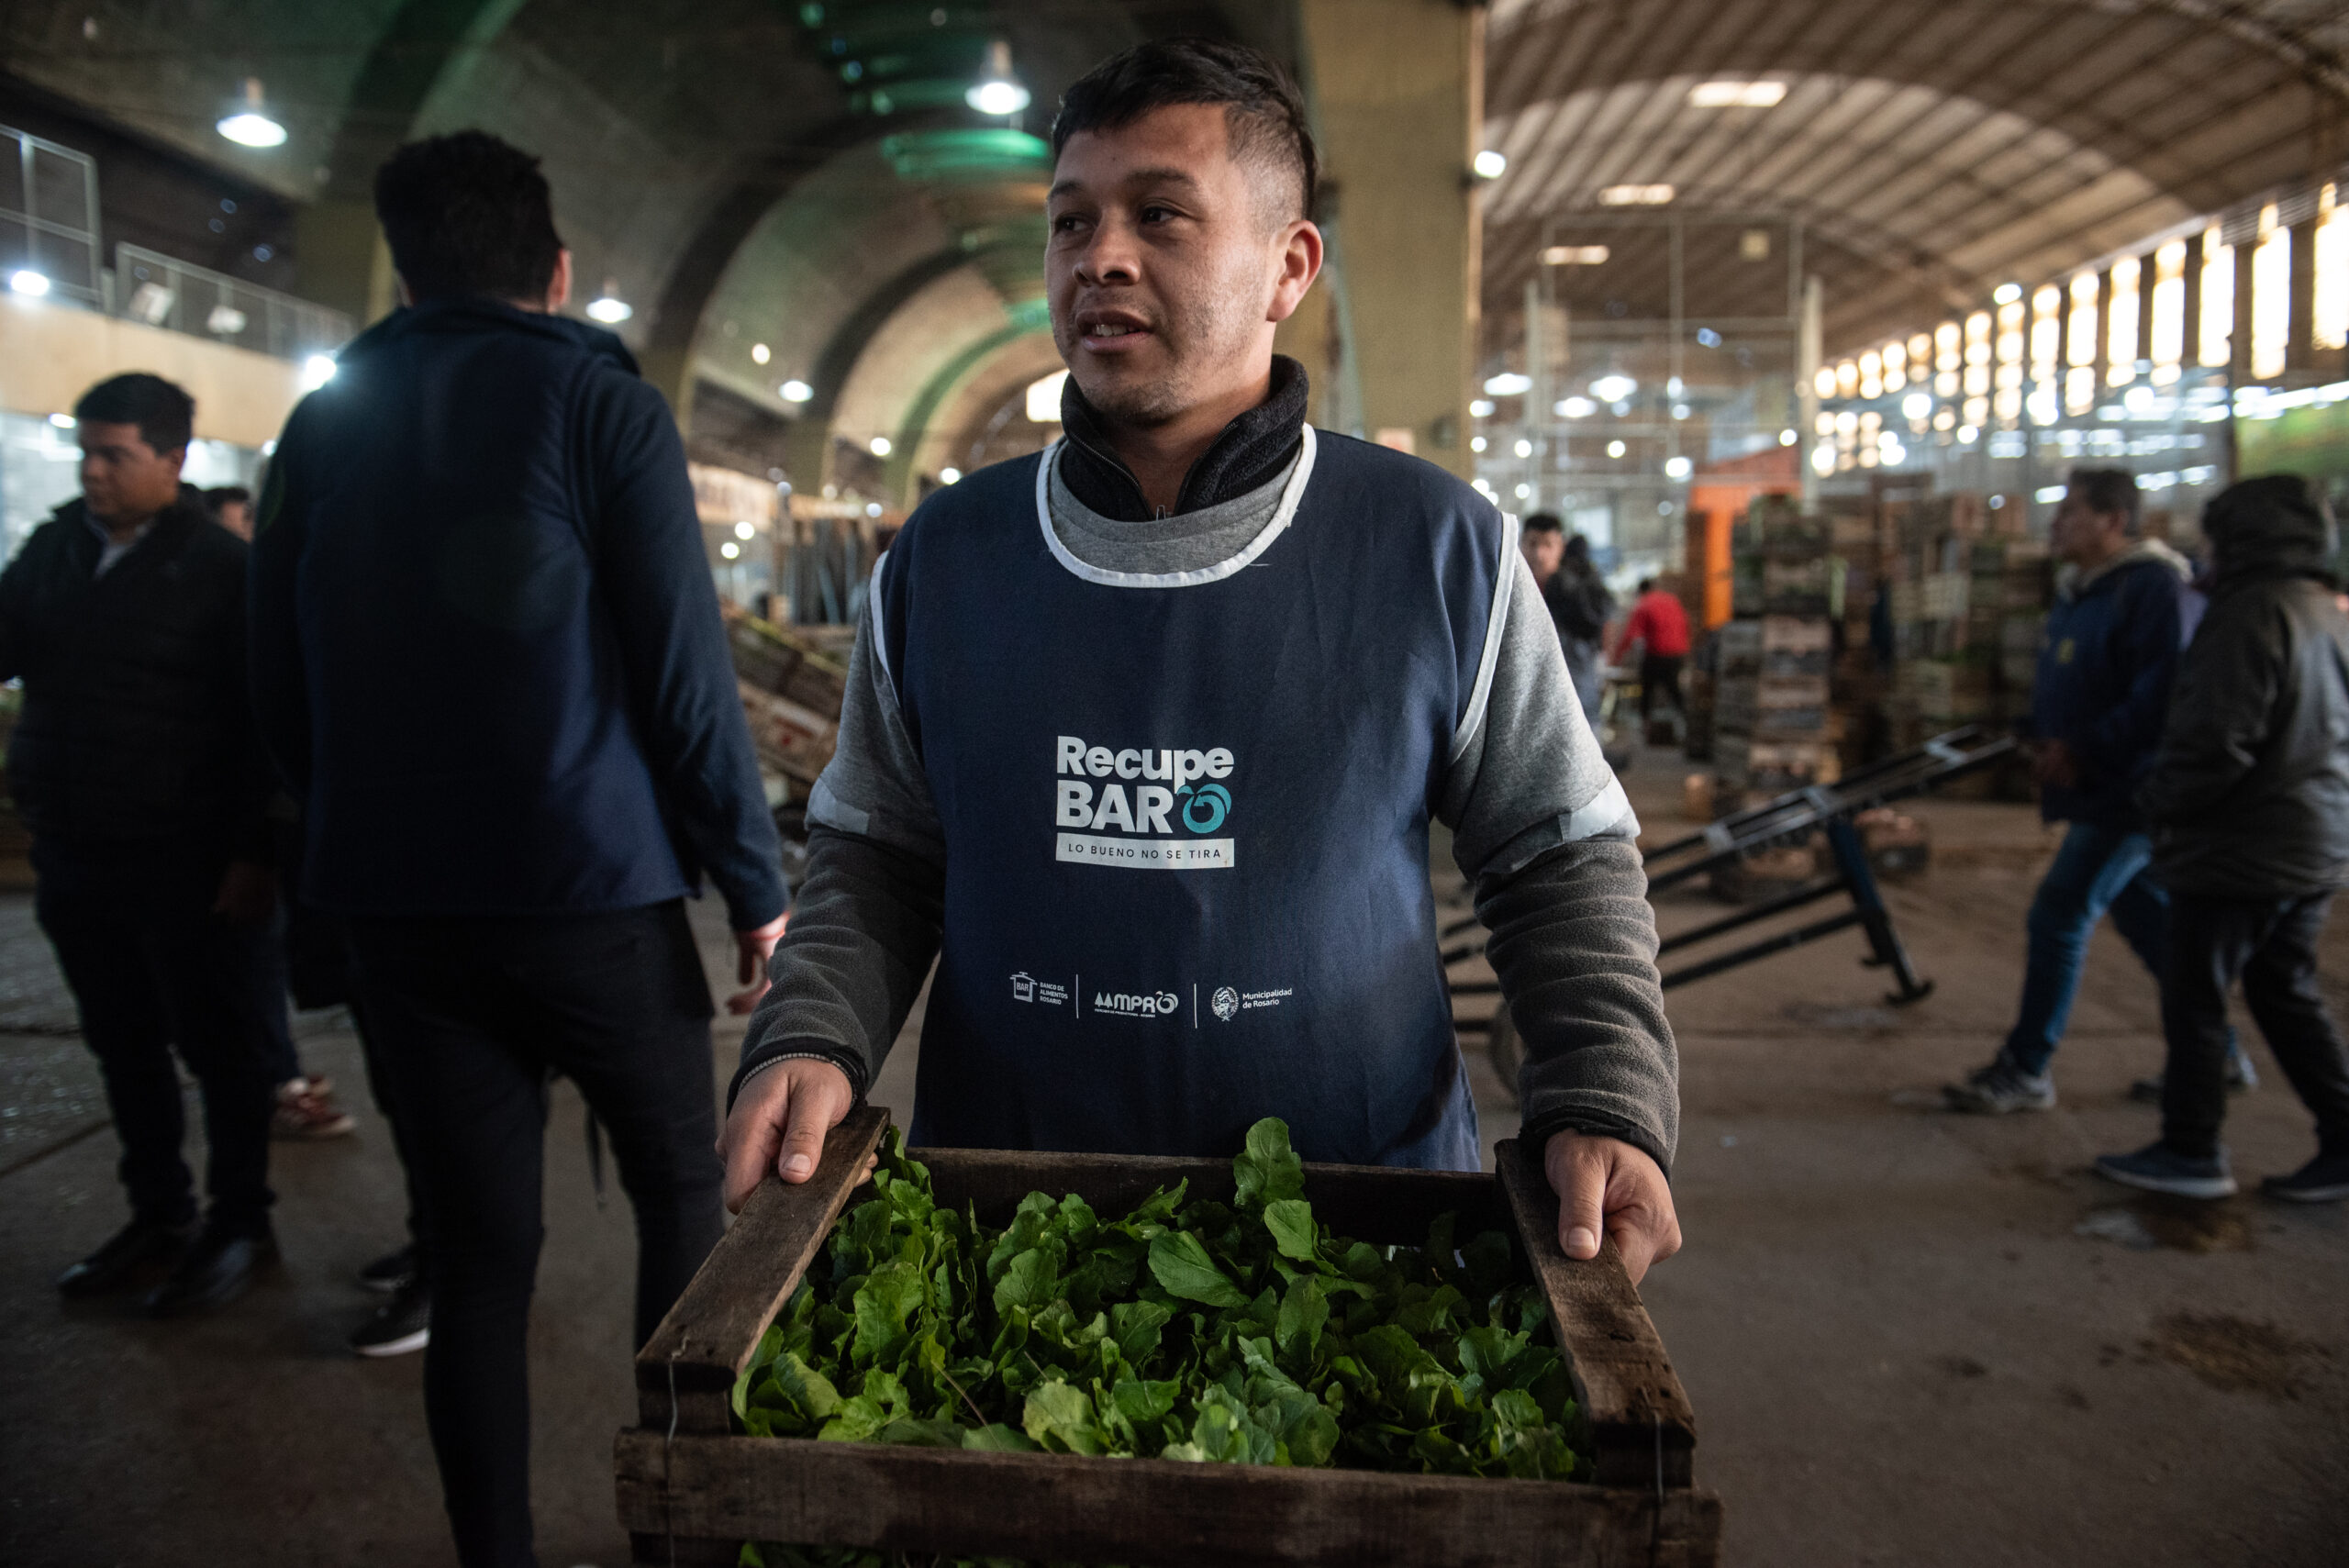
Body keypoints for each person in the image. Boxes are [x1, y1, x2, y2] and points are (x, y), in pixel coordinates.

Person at [718, 40, 1680, 1291]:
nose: (1099, 256)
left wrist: (1603, 1094)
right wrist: (813, 1031)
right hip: (1008, 1247)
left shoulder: (1438, 550)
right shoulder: (944, 563)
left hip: (1357, 1246)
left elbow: (1559, 857)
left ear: (1290, 267)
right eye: (1072, 222)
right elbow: (878, 854)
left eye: (1160, 215)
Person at [250, 131, 789, 1566]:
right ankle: (674, 1537)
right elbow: (684, 677)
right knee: (681, 1192)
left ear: (406, 268)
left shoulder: (321, 426)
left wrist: (350, 833)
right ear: (555, 269)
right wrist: (755, 881)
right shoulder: (596, 405)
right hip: (591, 899)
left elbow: (273, 678)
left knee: (479, 1265)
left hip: (400, 924)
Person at [1, 373, 284, 1315]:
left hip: (191, 860)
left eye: (114, 454)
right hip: (79, 851)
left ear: (172, 458)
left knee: (222, 1047)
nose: (93, 471)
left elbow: (264, 725)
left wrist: (255, 854)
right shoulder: (54, 550)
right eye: (86, 452)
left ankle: (241, 1220)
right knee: (121, 1042)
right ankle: (158, 1212)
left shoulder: (220, 570)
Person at [1946, 469, 2251, 1113]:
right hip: (2094, 782)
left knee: (2059, 912)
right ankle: (2216, 1050)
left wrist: (2084, 746)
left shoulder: (2155, 588)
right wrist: (2038, 736)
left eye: (2072, 512)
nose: (2056, 524)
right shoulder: (2083, 590)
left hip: (2135, 788)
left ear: (2114, 519)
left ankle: (2027, 1066)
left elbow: (2162, 694)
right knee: (2150, 922)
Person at [2095, 475, 2349, 1202]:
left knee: (2196, 997)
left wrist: (2159, 803)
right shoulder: (2320, 609)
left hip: (2244, 846)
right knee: (2284, 990)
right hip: (2311, 840)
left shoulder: (2248, 614)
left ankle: (2192, 1148)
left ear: (2244, 539)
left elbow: (2215, 739)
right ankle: (2342, 1134)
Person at [1521, 516, 1614, 723]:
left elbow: (1601, 616)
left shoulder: (1579, 584)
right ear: (1521, 544)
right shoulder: (1508, 586)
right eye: (1532, 543)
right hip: (1527, 707)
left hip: (1576, 699)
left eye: (1548, 544)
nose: (1539, 553)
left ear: (1561, 546)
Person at [1610, 576, 1690, 723]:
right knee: (1674, 691)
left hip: (1657, 653)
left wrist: (1616, 657)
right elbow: (1685, 624)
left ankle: (1645, 726)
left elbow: (1630, 635)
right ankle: (1686, 724)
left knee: (1647, 690)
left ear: (1641, 591)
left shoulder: (1644, 604)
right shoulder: (1672, 601)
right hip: (1678, 653)